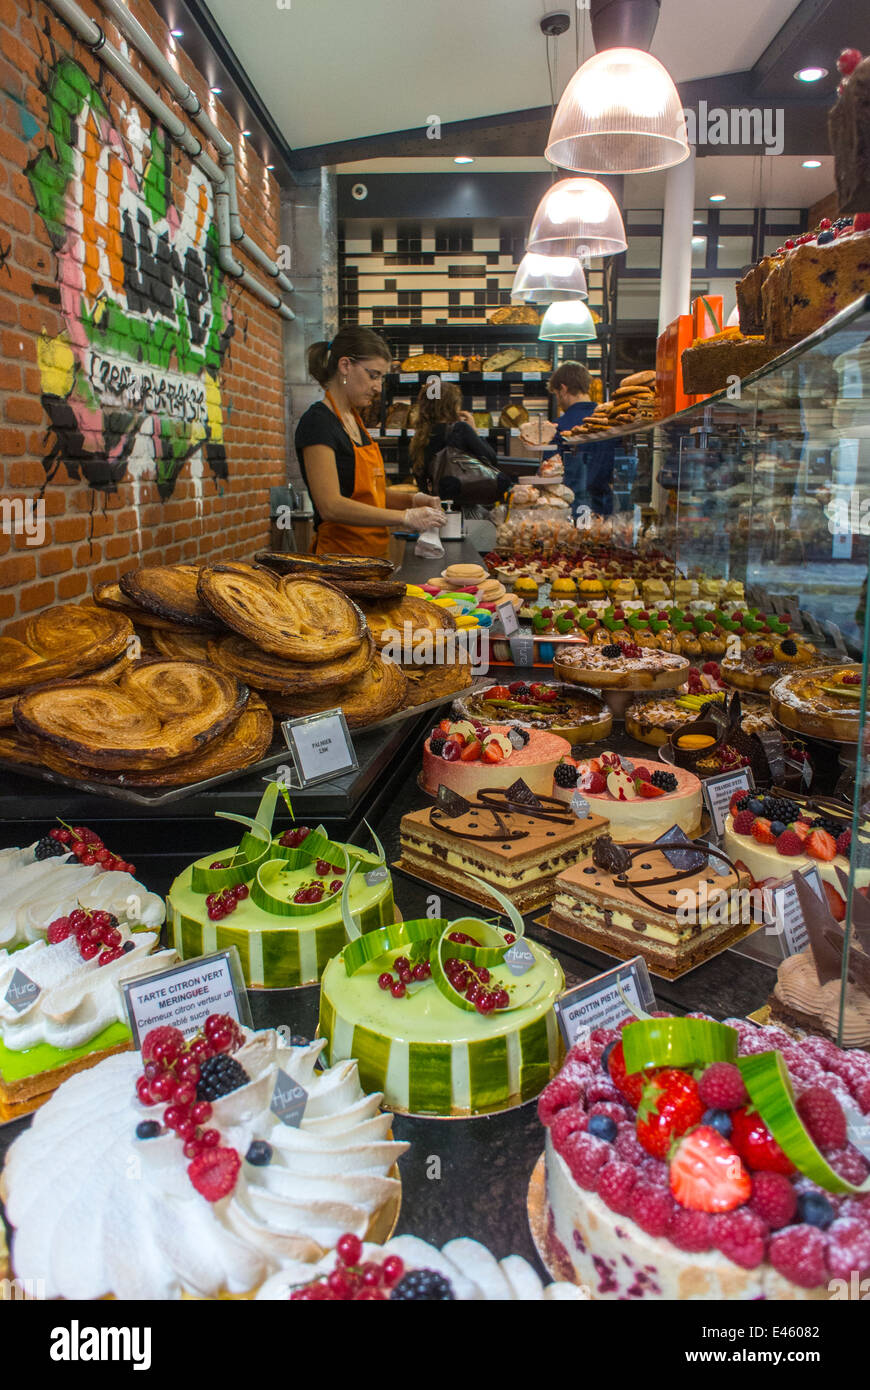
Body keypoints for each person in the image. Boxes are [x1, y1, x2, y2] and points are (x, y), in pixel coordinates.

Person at [295, 325, 445, 556]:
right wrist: (405, 517)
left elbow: (371, 497)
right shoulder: (318, 422)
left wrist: (413, 500)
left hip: (371, 559)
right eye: (373, 375)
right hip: (337, 563)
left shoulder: (356, 422)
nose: (378, 387)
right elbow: (331, 506)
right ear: (345, 365)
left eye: (381, 378)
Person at [409, 382, 508, 509]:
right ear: (451, 406)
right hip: (462, 506)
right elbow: (491, 459)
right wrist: (474, 431)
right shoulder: (460, 429)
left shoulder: (419, 437)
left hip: (432, 506)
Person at [545, 359, 615, 517]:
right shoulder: (612, 422)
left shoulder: (557, 428)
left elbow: (550, 478)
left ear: (563, 389)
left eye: (557, 395)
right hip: (606, 510)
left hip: (571, 511)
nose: (559, 401)